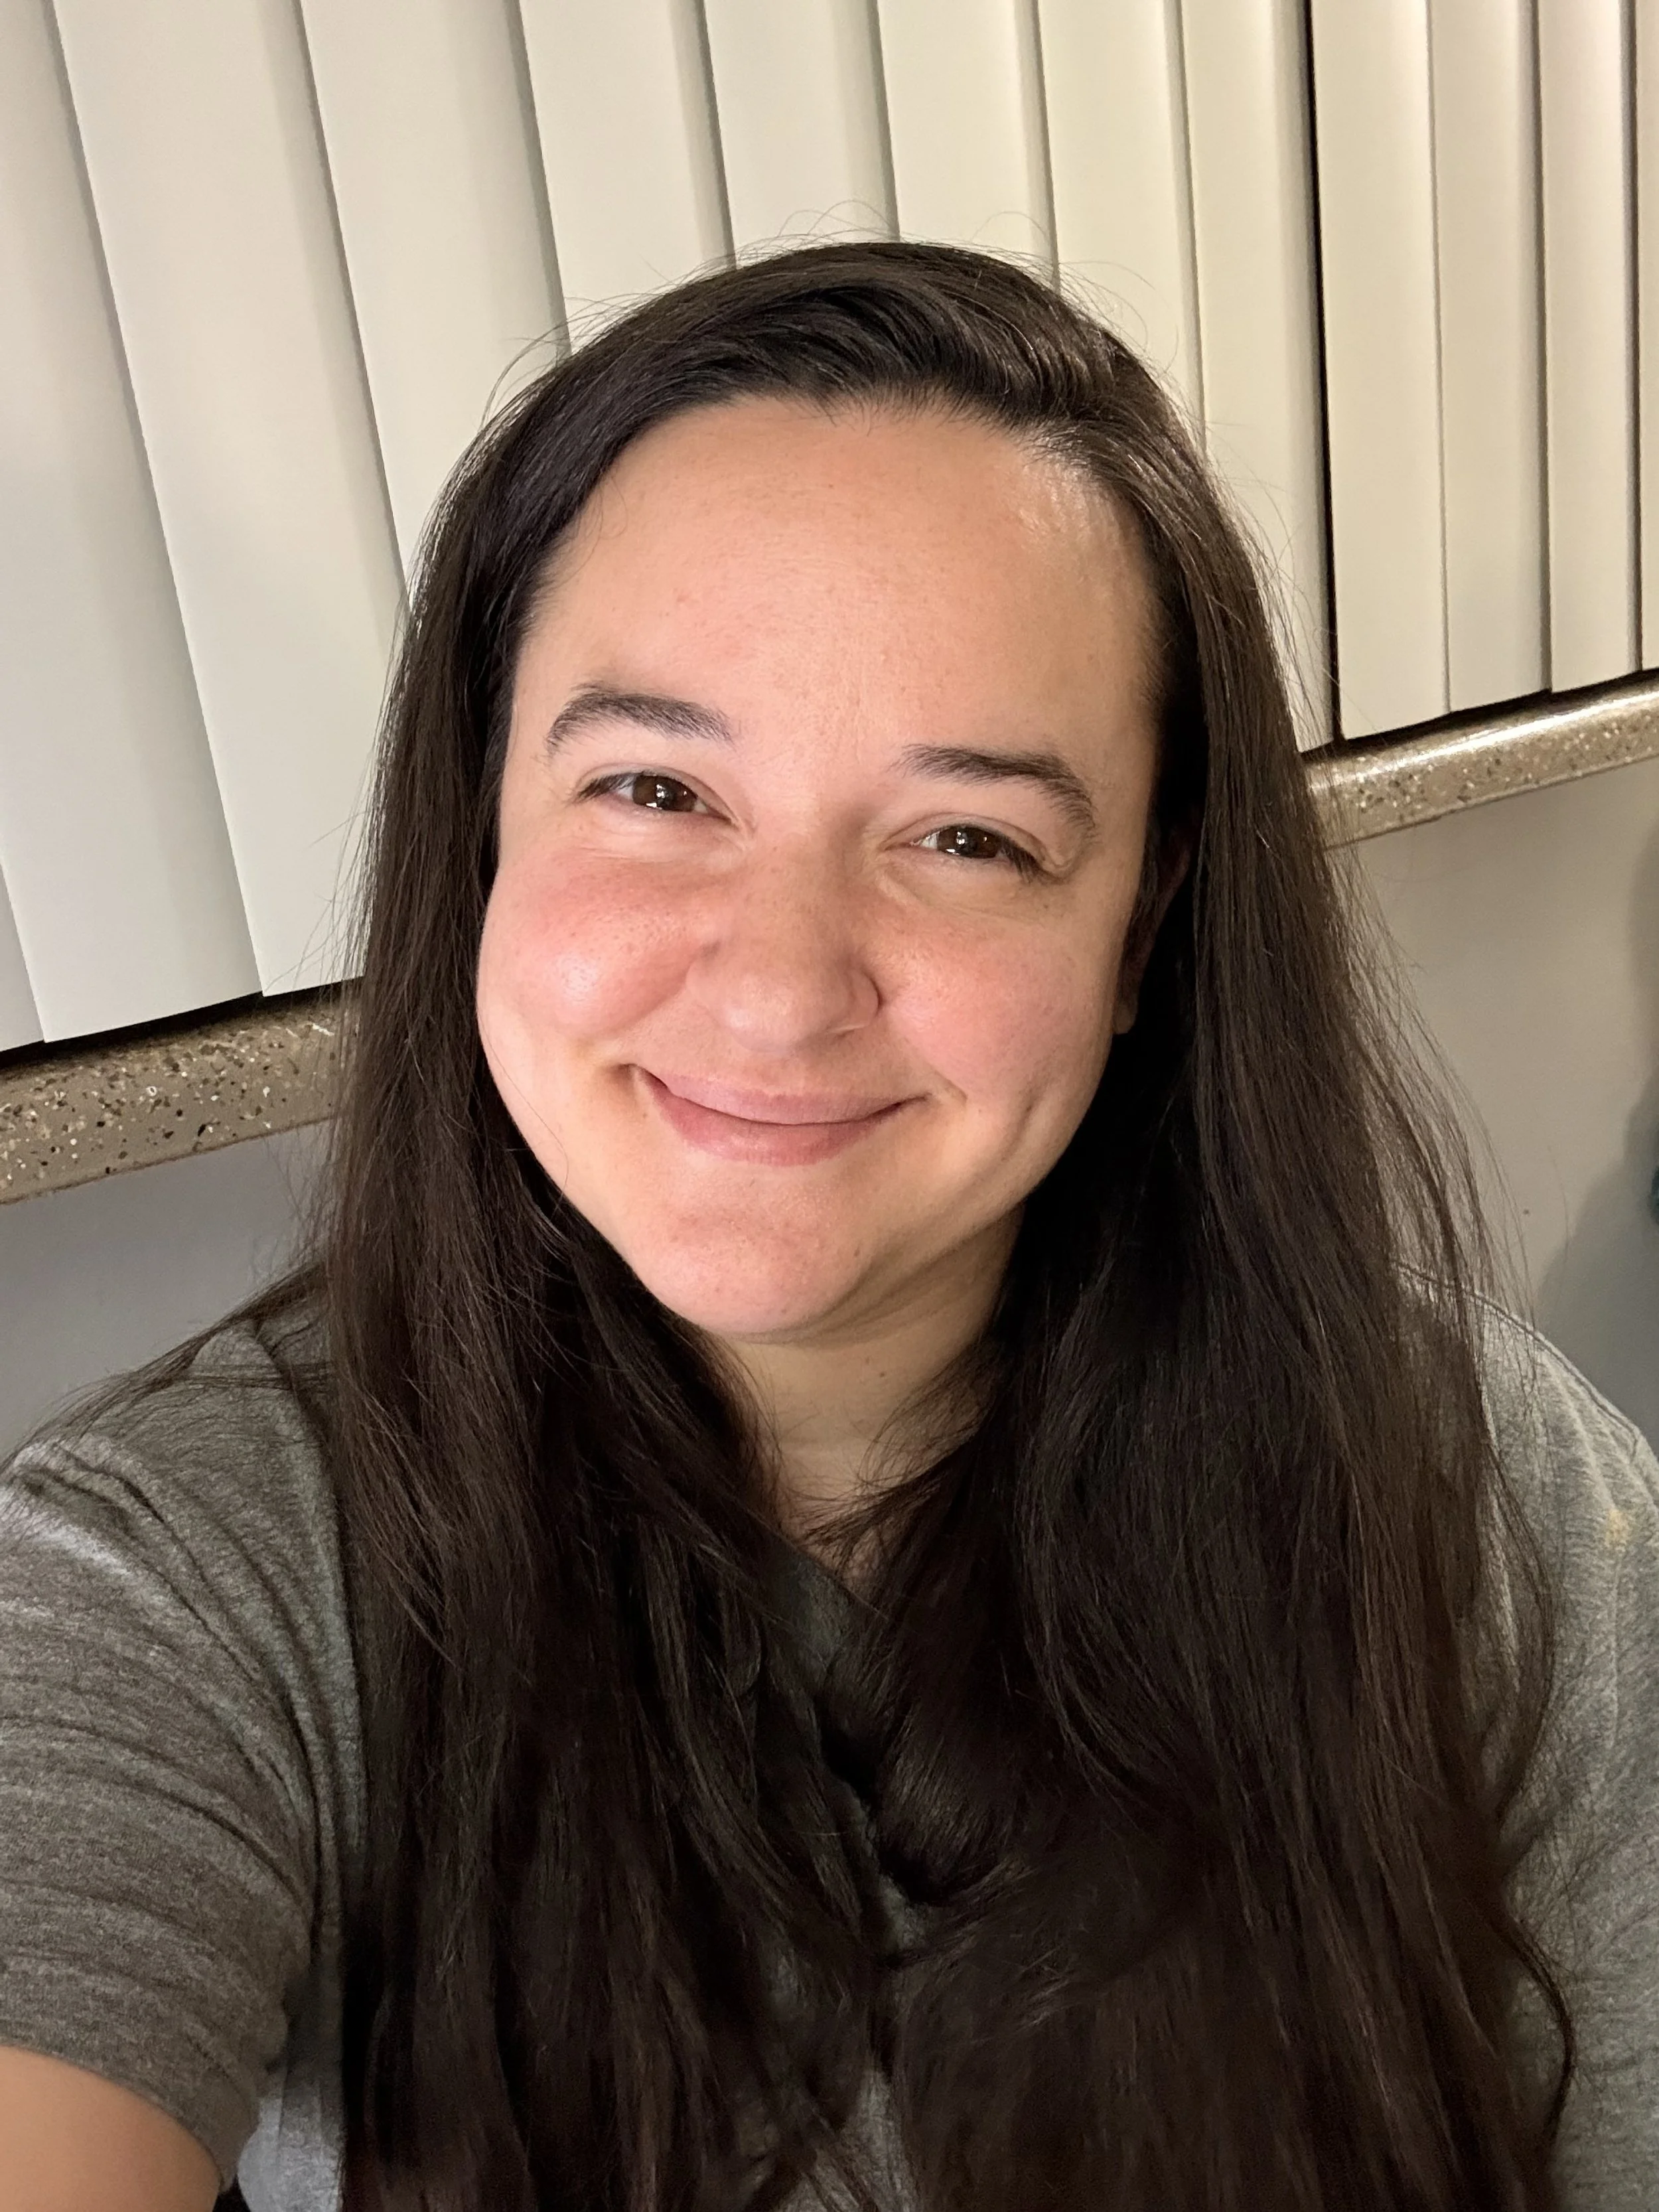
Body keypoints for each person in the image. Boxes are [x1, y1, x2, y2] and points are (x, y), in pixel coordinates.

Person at [1, 240, 1655, 2212]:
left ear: (1139, 920)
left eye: (968, 838)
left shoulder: (1478, 1488)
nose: (782, 989)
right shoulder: (179, 1586)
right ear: (483, 813)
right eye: (652, 785)